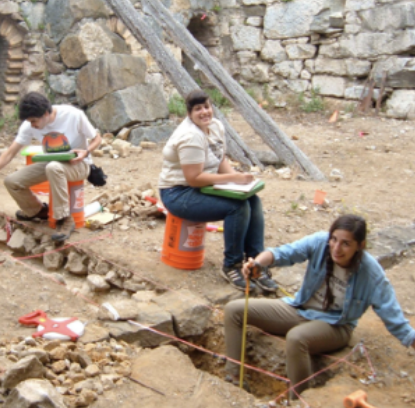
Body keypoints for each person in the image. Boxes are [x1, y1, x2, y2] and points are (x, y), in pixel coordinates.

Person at [224, 214, 415, 397]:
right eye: (334, 240)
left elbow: (395, 318)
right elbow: (283, 253)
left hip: (335, 325)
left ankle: (298, 399)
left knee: (297, 338)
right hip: (299, 309)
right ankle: (233, 378)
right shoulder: (319, 243)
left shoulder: (371, 274)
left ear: (360, 246)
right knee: (234, 310)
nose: (336, 248)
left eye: (346, 243)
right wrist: (257, 263)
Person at [158, 89, 277, 292]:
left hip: (202, 186)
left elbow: (219, 159)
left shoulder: (215, 127)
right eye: (198, 109)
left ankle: (256, 262)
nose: (204, 112)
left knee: (252, 200)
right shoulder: (190, 136)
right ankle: (232, 264)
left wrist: (239, 185)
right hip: (178, 193)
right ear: (189, 113)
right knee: (237, 208)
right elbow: (194, 179)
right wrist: (233, 178)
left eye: (206, 106)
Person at [0, 92, 101, 241]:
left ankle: (64, 219)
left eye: (34, 121)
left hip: (79, 164)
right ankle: (38, 211)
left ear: (46, 113)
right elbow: (10, 153)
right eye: (29, 121)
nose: (32, 125)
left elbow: (97, 138)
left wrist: (85, 151)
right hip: (51, 163)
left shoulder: (73, 115)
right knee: (12, 182)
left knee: (54, 167)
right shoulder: (29, 125)